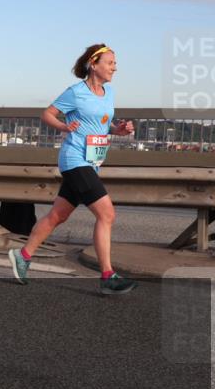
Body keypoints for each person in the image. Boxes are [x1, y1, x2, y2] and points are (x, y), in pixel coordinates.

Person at [8, 44, 137, 295]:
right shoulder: (75, 92)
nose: (115, 67)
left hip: (91, 163)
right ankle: (108, 276)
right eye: (110, 63)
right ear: (93, 64)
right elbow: (47, 114)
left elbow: (102, 122)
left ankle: (22, 255)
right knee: (107, 214)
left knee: (58, 215)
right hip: (74, 159)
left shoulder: (108, 93)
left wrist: (117, 130)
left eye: (115, 63)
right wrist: (64, 127)